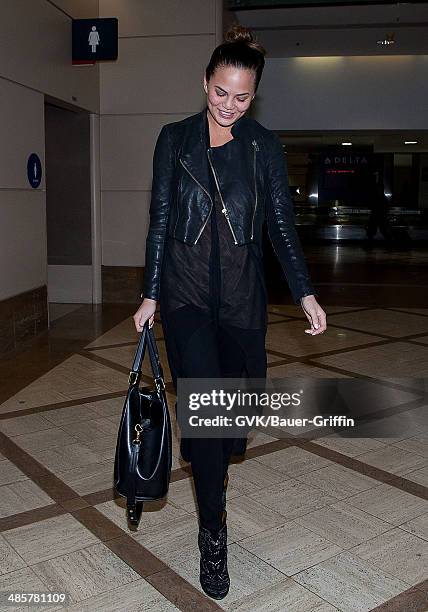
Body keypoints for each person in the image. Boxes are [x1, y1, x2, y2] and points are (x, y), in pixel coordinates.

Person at [133, 24, 327, 600]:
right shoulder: (174, 139)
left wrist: (306, 292)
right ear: (205, 82)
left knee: (236, 421)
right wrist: (150, 292)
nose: (229, 106)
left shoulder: (264, 147)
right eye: (221, 92)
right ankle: (211, 534)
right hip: (186, 299)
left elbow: (283, 230)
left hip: (243, 302)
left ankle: (213, 450)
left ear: (255, 94)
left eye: (242, 97)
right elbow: (161, 220)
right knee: (208, 417)